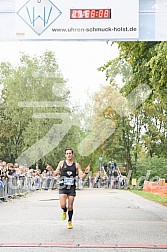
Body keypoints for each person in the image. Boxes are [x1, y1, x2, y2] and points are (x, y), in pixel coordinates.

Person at [54, 148, 91, 229]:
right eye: (67, 153)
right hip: (63, 187)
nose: (68, 155)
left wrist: (86, 172)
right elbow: (55, 173)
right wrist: (50, 170)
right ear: (65, 155)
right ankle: (64, 210)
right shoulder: (61, 163)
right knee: (63, 205)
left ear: (72, 155)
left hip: (71, 188)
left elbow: (81, 176)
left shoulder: (76, 165)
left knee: (70, 206)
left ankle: (69, 221)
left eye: (70, 153)